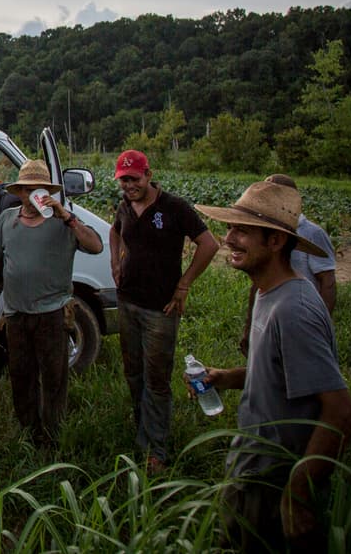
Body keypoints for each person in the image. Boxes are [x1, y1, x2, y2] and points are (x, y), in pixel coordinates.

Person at [191, 179, 351, 550]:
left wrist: (298, 491)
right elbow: (284, 373)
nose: (229, 239)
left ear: (276, 241)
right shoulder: (268, 293)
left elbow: (341, 411)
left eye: (242, 231)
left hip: (273, 480)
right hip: (252, 468)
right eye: (229, 227)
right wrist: (227, 378)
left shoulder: (294, 309)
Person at [0, 159, 103, 447]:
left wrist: (66, 216)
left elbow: (95, 246)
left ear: (47, 191)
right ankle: (28, 431)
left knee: (54, 378)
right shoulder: (7, 220)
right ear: (19, 193)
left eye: (39, 189)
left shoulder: (63, 222)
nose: (32, 194)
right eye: (26, 190)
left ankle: (51, 435)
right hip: (16, 313)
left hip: (52, 313)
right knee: (21, 375)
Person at [108, 149, 219, 472]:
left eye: (134, 179)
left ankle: (157, 449)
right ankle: (142, 432)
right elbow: (115, 231)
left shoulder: (173, 207)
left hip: (160, 308)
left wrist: (183, 285)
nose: (129, 186)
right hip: (128, 302)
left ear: (149, 175)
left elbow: (209, 244)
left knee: (156, 379)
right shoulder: (125, 207)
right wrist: (115, 261)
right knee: (133, 372)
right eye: (123, 180)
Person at [239, 174, 337, 358]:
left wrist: (321, 324)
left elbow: (328, 281)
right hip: (271, 314)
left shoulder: (312, 233)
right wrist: (250, 327)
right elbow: (259, 282)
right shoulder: (262, 234)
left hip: (299, 317)